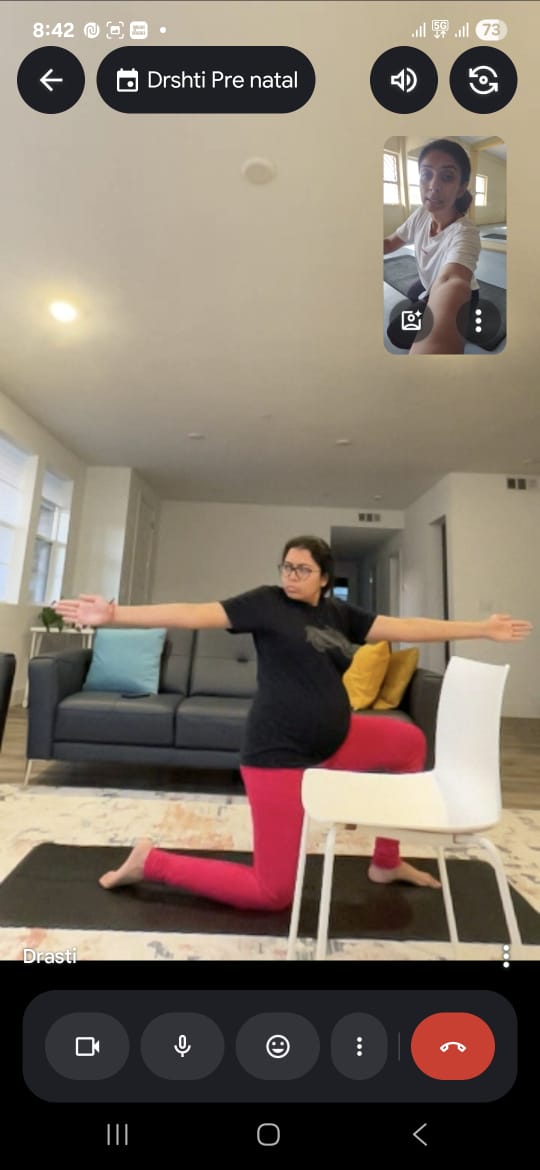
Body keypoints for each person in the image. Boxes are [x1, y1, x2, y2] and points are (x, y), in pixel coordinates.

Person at [53, 536, 531, 912]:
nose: (290, 576)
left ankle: (386, 862)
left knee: (408, 742)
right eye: (286, 566)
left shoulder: (341, 614)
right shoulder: (265, 603)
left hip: (336, 740)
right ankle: (152, 862)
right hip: (277, 758)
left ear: (324, 577)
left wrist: (480, 628)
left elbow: (411, 627)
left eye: (302, 569)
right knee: (272, 894)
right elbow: (195, 614)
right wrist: (115, 615)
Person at [384, 139, 481, 355]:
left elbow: (451, 280)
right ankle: (428, 299)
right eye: (426, 174)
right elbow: (390, 243)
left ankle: (466, 317)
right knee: (412, 291)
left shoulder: (466, 233)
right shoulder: (420, 214)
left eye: (447, 177)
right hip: (430, 285)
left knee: (396, 334)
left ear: (461, 188)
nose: (433, 186)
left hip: (465, 295)